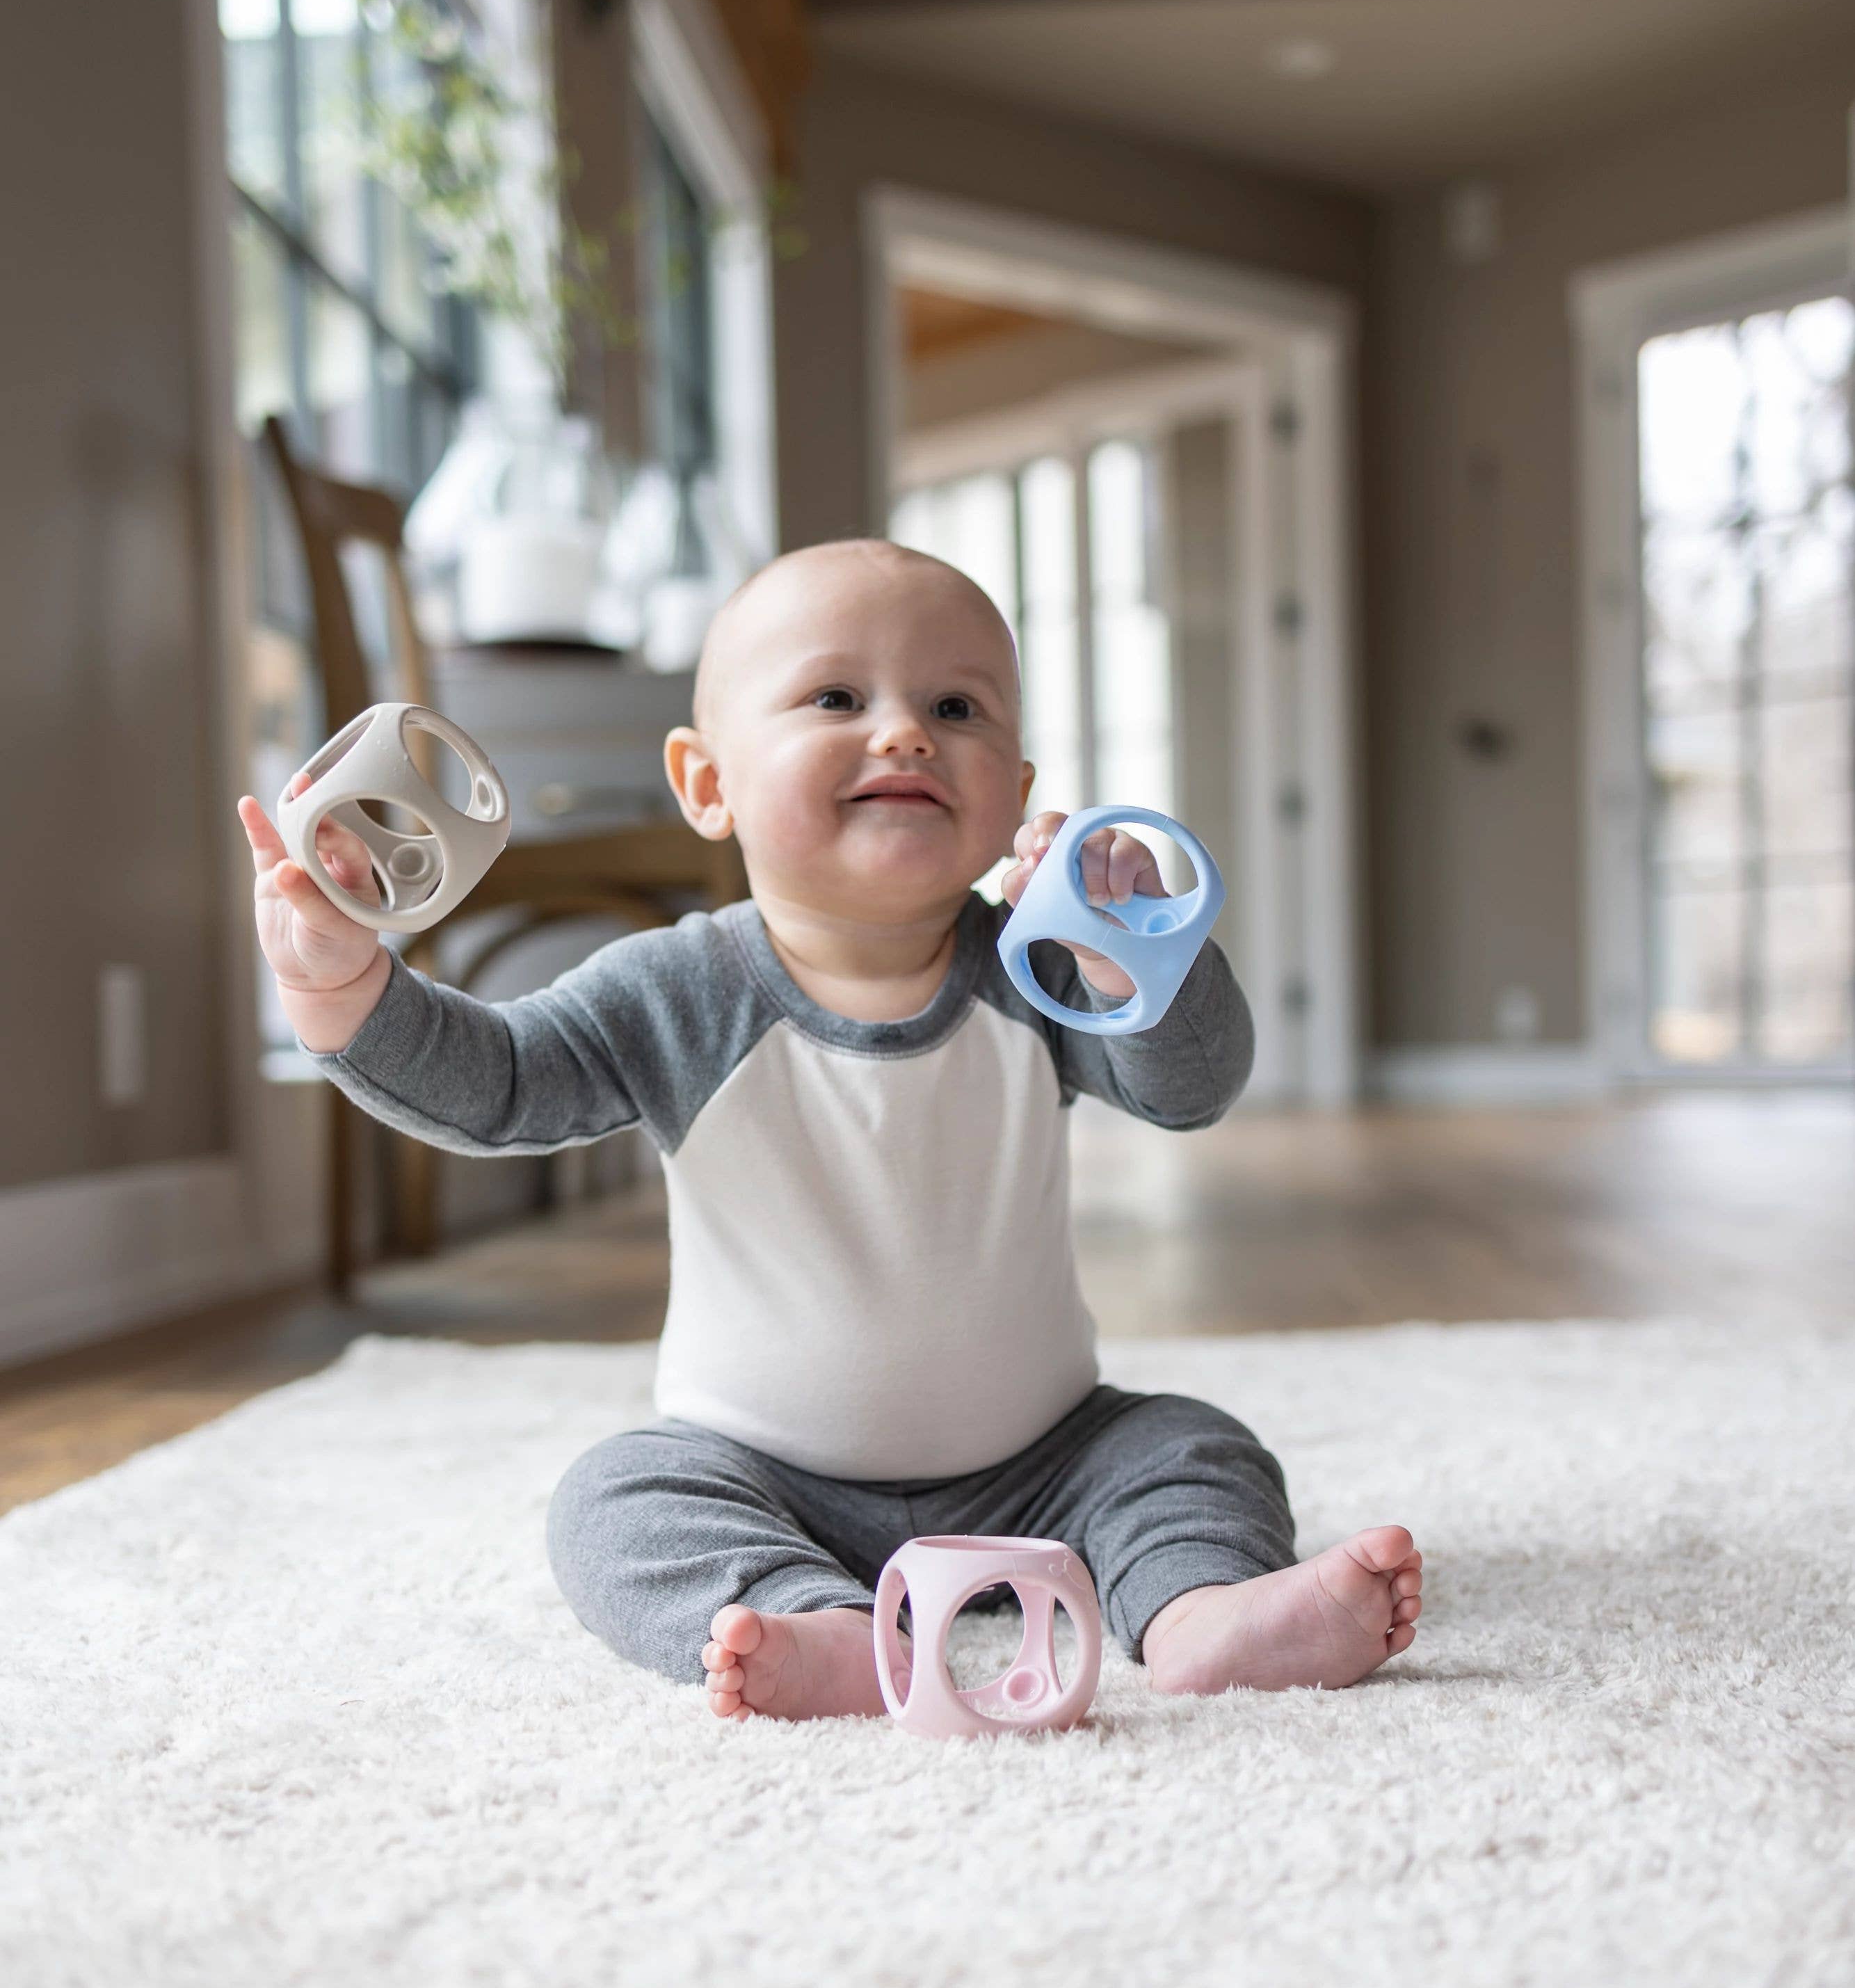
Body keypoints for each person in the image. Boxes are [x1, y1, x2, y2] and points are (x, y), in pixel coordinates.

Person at [238, 539, 1420, 1721]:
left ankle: (1199, 1611)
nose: (905, 733)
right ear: (708, 784)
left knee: (1194, 1448)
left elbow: (1191, 1090)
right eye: (838, 698)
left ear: (1016, 793)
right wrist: (342, 991)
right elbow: (499, 1084)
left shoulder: (1039, 967)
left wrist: (1134, 964)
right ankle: (821, 1626)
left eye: (955, 707)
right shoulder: (673, 993)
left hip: (1050, 1461)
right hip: (763, 1476)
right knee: (613, 1499)